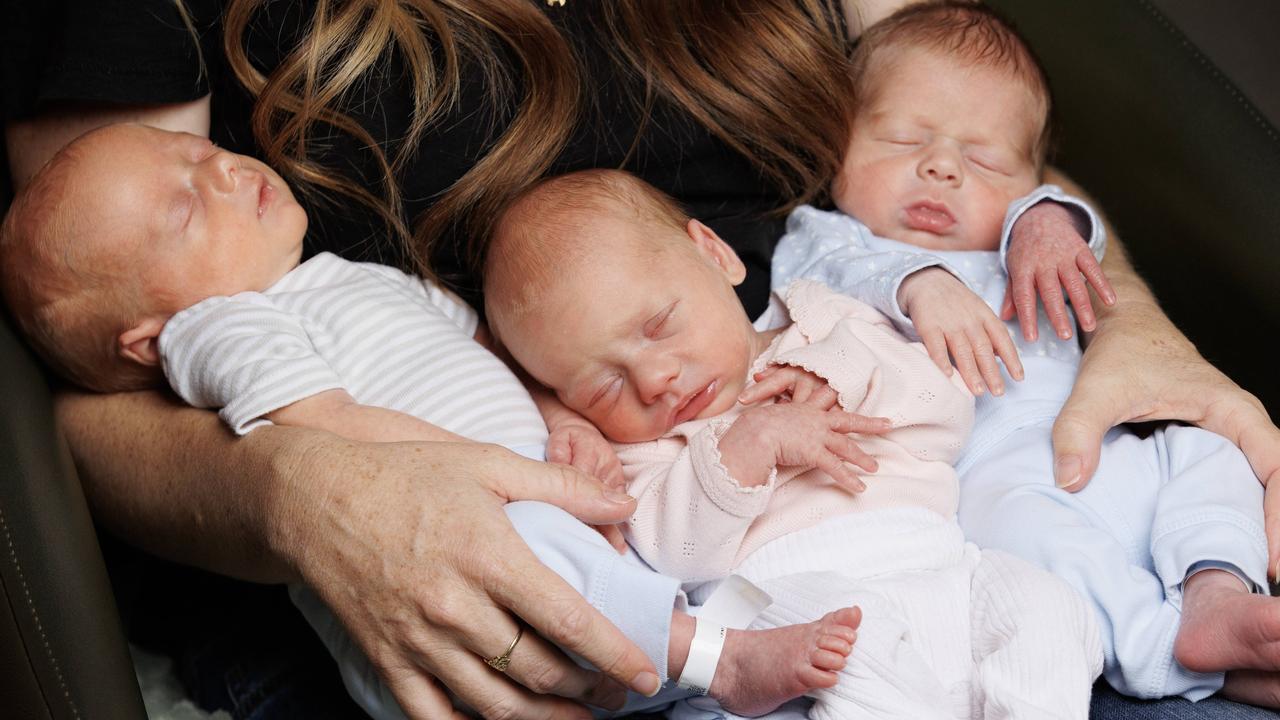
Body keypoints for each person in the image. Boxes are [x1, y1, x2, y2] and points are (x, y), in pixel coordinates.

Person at [3, 1, 1278, 717]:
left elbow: (958, 116)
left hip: (902, 455)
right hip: (538, 569)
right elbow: (94, 389)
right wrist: (306, 493)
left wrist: (1119, 310)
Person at [771, 1, 1277, 707]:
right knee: (1021, 539)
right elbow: (810, 275)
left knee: (1209, 456)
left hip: (1113, 431)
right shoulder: (830, 238)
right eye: (900, 140)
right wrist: (916, 284)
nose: (941, 166)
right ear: (835, 151)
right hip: (993, 466)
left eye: (983, 158)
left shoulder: (1018, 229)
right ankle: (1175, 649)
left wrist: (1047, 220)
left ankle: (1216, 590)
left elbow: (1069, 223)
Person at [484, 167, 1104, 719]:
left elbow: (946, 412)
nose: (654, 381)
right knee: (856, 647)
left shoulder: (822, 321)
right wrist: (744, 449)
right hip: (778, 598)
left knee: (1052, 609)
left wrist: (839, 373)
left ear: (716, 254)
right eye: (603, 386)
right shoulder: (643, 449)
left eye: (658, 326)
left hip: (942, 563)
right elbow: (680, 555)